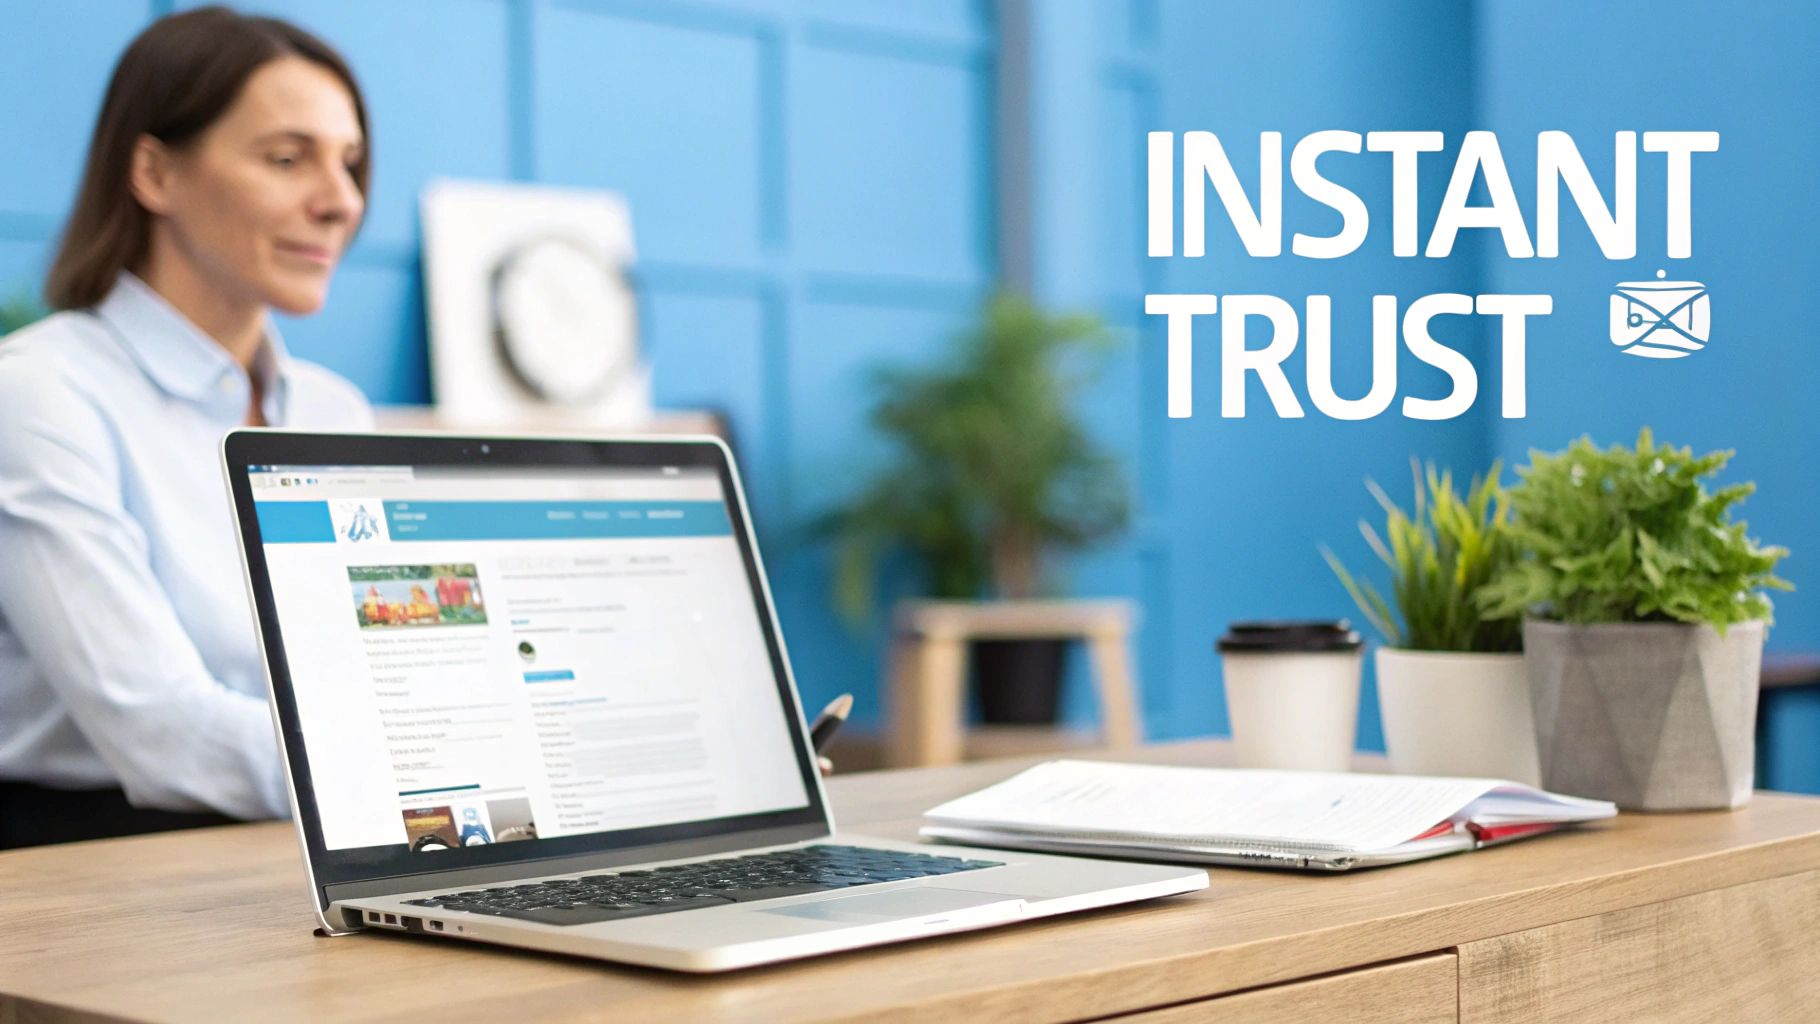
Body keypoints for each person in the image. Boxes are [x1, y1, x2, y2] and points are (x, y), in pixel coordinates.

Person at [0, 7, 374, 848]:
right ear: (155, 173)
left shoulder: (333, 412)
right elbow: (158, 730)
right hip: (92, 864)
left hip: (304, 832)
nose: (341, 202)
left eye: (350, 164)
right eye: (288, 159)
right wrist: (404, 783)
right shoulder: (41, 394)